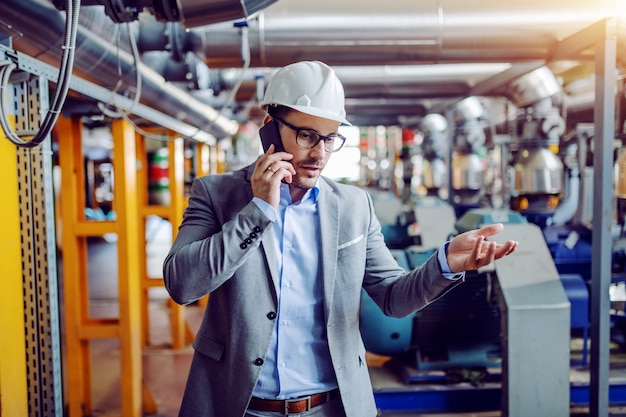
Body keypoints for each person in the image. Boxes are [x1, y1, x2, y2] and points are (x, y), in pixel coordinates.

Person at [163, 60, 518, 417]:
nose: (319, 153)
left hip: (332, 407)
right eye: (306, 135)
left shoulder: (353, 206)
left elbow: (393, 298)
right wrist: (258, 210)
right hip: (238, 406)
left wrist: (444, 264)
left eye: (330, 138)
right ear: (270, 129)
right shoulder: (216, 194)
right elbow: (183, 284)